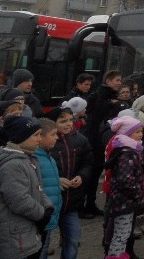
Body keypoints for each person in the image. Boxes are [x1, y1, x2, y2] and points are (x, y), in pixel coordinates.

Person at [0, 115, 54, 259]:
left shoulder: (27, 157)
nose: (40, 139)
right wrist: (42, 214)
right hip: (17, 239)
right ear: (21, 137)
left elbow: (38, 188)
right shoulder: (13, 165)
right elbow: (19, 200)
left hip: (26, 233)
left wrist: (48, 207)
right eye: (35, 135)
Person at [50, 107, 93, 259]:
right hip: (50, 202)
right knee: (43, 244)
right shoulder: (46, 142)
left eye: (70, 120)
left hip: (71, 202)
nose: (69, 124)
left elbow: (88, 162)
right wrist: (57, 180)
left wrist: (81, 176)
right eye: (63, 121)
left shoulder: (80, 140)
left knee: (73, 239)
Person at [102, 115, 144, 259]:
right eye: (137, 132)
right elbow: (126, 181)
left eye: (141, 131)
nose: (140, 135)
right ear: (127, 134)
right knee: (121, 235)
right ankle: (115, 255)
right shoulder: (127, 154)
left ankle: (118, 254)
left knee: (123, 233)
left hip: (124, 201)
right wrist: (139, 195)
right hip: (124, 202)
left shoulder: (131, 151)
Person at [82, 69, 123, 218]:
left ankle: (91, 204)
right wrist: (110, 105)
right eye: (117, 80)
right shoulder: (99, 96)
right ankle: (85, 205)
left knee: (97, 173)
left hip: (103, 141)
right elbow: (96, 116)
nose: (119, 83)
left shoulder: (111, 97)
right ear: (108, 81)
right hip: (95, 141)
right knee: (91, 174)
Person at [35, 118, 62, 259]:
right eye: (53, 134)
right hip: (41, 216)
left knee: (44, 249)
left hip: (48, 214)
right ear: (41, 136)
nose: (57, 137)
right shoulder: (35, 158)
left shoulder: (48, 156)